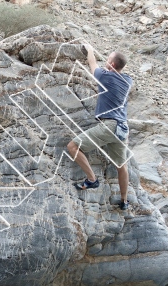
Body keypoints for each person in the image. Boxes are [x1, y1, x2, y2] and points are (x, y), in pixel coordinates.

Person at [67, 43, 133, 210]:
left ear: (112, 64)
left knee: (73, 146)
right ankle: (124, 201)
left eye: (109, 58)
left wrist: (90, 50)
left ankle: (91, 179)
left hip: (109, 125)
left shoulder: (106, 76)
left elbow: (92, 64)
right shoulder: (127, 80)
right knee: (121, 166)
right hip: (123, 128)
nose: (106, 60)